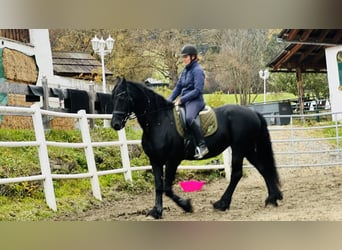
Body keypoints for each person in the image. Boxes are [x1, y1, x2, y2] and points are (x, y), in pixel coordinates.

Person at [168, 44, 209, 159]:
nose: (184, 59)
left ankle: (202, 146)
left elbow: (198, 90)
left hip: (196, 101)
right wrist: (168, 100)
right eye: (183, 57)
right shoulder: (185, 71)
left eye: (185, 56)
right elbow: (178, 87)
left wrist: (182, 99)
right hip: (186, 100)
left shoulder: (198, 70)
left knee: (189, 118)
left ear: (193, 57)